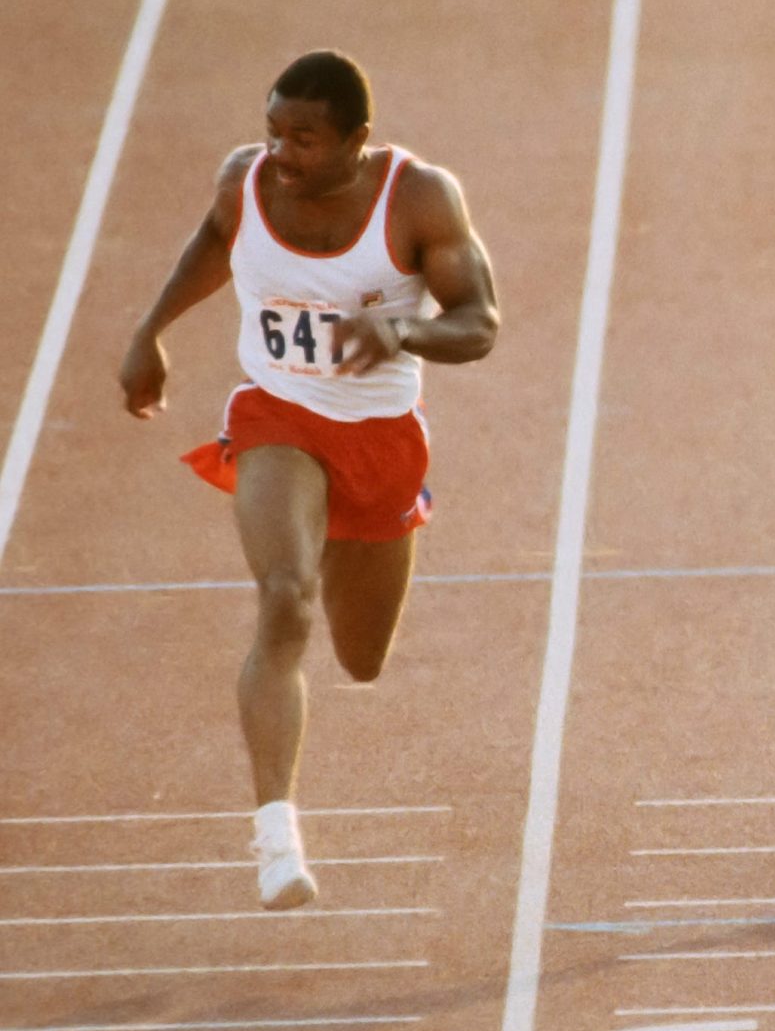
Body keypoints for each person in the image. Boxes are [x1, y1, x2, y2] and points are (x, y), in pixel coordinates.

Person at [119, 50, 500, 907]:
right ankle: (275, 836)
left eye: (305, 139)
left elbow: (479, 323)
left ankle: (342, 522)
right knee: (286, 597)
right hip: (277, 418)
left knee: (360, 659)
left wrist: (402, 336)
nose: (282, 154)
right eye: (272, 132)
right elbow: (219, 241)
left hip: (381, 437)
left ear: (357, 140)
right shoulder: (246, 182)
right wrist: (152, 330)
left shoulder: (419, 198)